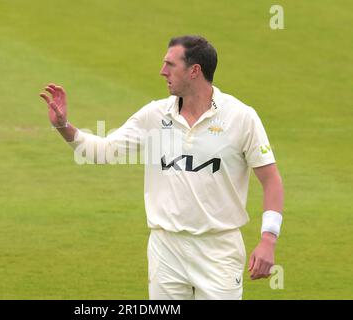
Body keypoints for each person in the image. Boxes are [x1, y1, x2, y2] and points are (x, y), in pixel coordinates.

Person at [39, 35, 284, 300]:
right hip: (166, 250)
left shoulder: (240, 117)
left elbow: (271, 180)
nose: (162, 71)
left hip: (218, 251)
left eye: (170, 64)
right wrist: (62, 125)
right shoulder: (154, 116)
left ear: (194, 71)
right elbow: (103, 152)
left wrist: (268, 239)